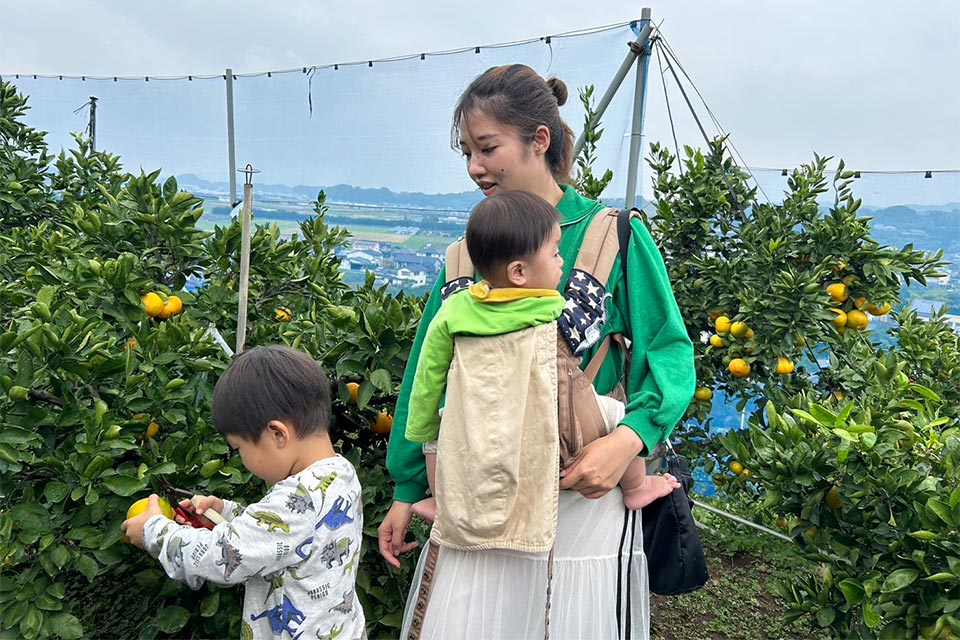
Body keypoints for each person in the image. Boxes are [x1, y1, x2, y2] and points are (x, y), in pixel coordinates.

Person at [378, 63, 695, 639]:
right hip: (478, 501)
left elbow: (667, 355)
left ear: (539, 140)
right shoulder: (466, 257)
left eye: (488, 148)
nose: (475, 167)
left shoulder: (611, 234)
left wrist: (628, 442)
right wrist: (407, 487)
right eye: (467, 152)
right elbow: (426, 376)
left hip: (581, 499)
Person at [407, 190, 679, 525]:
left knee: (437, 438)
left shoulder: (456, 306)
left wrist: (425, 423)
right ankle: (637, 485)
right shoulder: (548, 304)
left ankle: (442, 502)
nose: (561, 262)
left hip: (479, 415)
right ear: (519, 272)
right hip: (544, 418)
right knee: (618, 414)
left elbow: (428, 372)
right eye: (554, 255)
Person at [122, 345, 366, 640]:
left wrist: (154, 532)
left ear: (277, 434)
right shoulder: (339, 472)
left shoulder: (298, 498)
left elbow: (223, 556)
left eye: (240, 449)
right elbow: (287, 536)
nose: (243, 461)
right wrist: (224, 513)